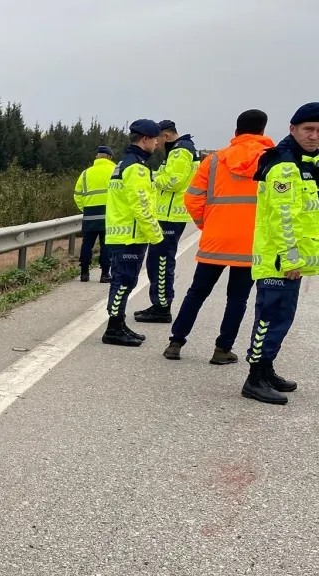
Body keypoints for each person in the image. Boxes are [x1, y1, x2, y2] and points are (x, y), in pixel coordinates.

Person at [163, 110, 274, 364]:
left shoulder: (214, 161)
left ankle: (175, 342)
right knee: (237, 298)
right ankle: (222, 350)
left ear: (236, 132)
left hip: (215, 240)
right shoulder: (272, 161)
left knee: (196, 293)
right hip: (251, 244)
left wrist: (207, 224)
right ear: (263, 132)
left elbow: (191, 197)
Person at [241, 103, 319, 404]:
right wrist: (290, 259)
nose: (313, 136)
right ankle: (254, 378)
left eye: (318, 131)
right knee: (269, 319)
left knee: (282, 318)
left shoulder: (304, 164)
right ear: (292, 130)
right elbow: (283, 217)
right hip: (279, 261)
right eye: (308, 130)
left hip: (289, 261)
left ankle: (267, 368)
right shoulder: (284, 166)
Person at [102, 119, 164, 347]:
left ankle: (118, 324)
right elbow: (141, 205)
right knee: (123, 282)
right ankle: (113, 328)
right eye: (155, 139)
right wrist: (157, 235)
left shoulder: (125, 163)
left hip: (126, 234)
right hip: (130, 235)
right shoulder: (136, 168)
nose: (158, 144)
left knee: (124, 281)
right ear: (145, 139)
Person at [133, 120, 200, 322]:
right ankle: (159, 304)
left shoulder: (181, 151)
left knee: (161, 262)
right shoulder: (179, 150)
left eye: (157, 138)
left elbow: (173, 181)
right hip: (169, 214)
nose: (156, 143)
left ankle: (162, 307)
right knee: (157, 261)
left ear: (167, 136)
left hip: (171, 216)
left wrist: (150, 177)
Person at [73, 147, 116, 282]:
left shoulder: (86, 173)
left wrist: (85, 208)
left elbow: (77, 194)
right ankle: (104, 274)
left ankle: (84, 273)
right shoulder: (115, 171)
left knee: (87, 243)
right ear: (109, 157)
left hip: (90, 213)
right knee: (106, 244)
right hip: (109, 213)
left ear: (97, 157)